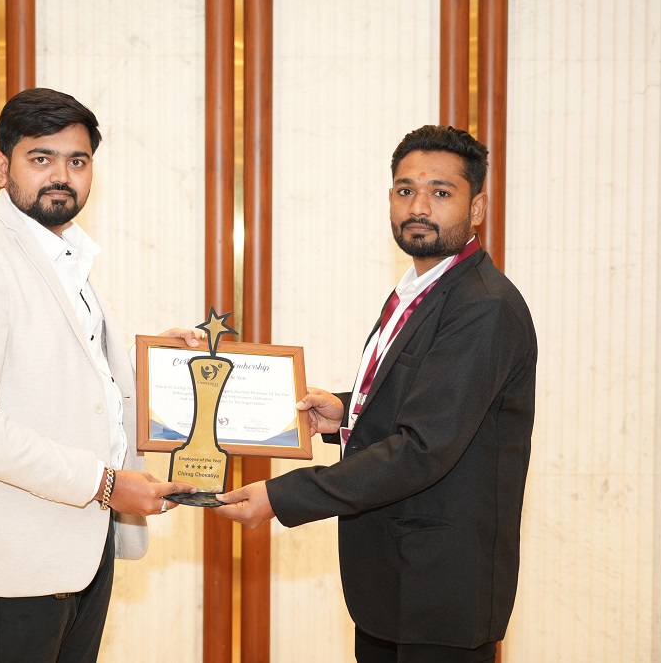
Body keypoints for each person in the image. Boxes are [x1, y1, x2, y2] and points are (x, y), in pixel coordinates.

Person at [216, 125, 537, 663]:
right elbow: (422, 398)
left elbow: (424, 447)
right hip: (393, 582)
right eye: (406, 190)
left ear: (477, 208)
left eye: (441, 192)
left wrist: (281, 497)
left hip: (440, 591)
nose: (419, 207)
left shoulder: (483, 305)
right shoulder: (420, 289)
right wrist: (345, 412)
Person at [0, 87, 199, 662]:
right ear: (3, 166)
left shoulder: (64, 253)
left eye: (77, 161)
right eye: (41, 158)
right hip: (14, 563)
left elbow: (68, 380)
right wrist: (106, 485)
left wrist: (156, 366)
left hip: (83, 550)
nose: (61, 177)